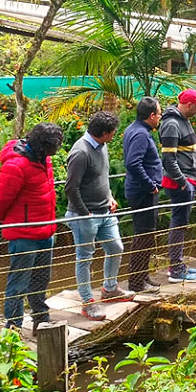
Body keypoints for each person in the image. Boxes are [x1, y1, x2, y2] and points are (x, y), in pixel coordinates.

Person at [0, 122, 64, 333]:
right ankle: (13, 328)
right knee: (18, 283)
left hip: (45, 229)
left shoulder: (43, 159)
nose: (53, 154)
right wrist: (6, 221)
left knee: (41, 279)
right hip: (23, 234)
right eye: (51, 150)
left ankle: (41, 320)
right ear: (42, 146)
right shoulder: (15, 166)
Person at [65, 111, 133, 322]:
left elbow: (102, 177)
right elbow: (71, 188)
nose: (114, 136)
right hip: (85, 215)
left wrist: (110, 196)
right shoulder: (80, 152)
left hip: (105, 211)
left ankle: (109, 289)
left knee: (115, 247)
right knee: (84, 257)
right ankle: (87, 302)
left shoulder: (102, 146)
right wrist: (85, 213)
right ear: (103, 133)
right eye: (112, 133)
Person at [160, 88, 196, 283]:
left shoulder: (183, 120)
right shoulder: (172, 124)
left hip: (188, 178)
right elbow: (168, 158)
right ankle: (175, 268)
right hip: (180, 181)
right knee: (179, 223)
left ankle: (178, 264)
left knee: (181, 223)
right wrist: (182, 182)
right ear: (189, 105)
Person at [123, 97, 163, 293]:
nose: (160, 117)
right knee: (144, 235)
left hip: (142, 191)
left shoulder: (137, 129)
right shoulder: (140, 134)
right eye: (159, 113)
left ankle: (142, 275)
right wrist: (150, 185)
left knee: (146, 235)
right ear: (152, 115)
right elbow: (133, 163)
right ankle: (137, 282)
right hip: (142, 193)